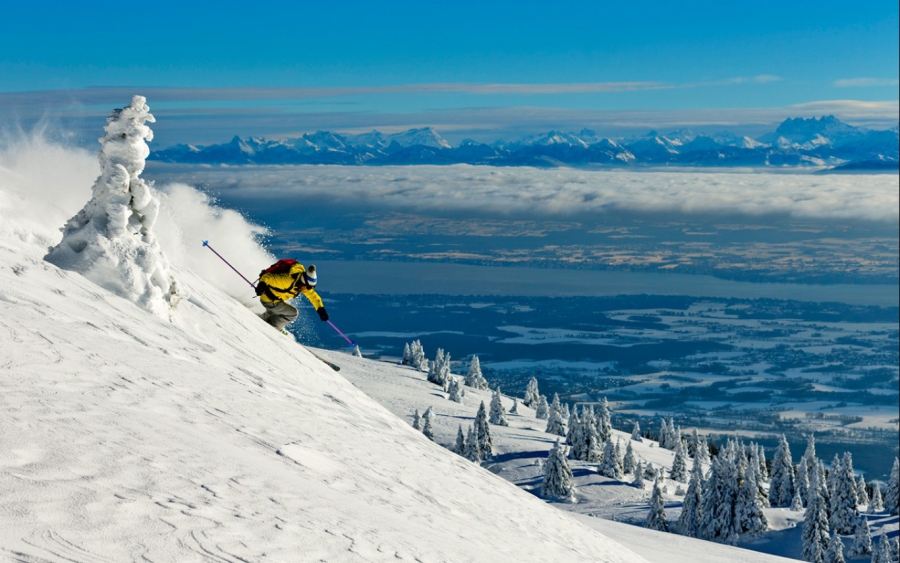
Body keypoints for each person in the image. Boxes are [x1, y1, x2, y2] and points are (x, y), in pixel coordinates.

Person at [256, 262, 328, 332]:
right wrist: (262, 285)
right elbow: (268, 278)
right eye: (308, 287)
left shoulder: (302, 284)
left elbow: (314, 297)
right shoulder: (288, 281)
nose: (308, 289)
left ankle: (263, 318)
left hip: (276, 299)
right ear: (303, 282)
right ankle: (273, 327)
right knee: (293, 313)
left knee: (279, 310)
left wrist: (320, 309)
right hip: (269, 300)